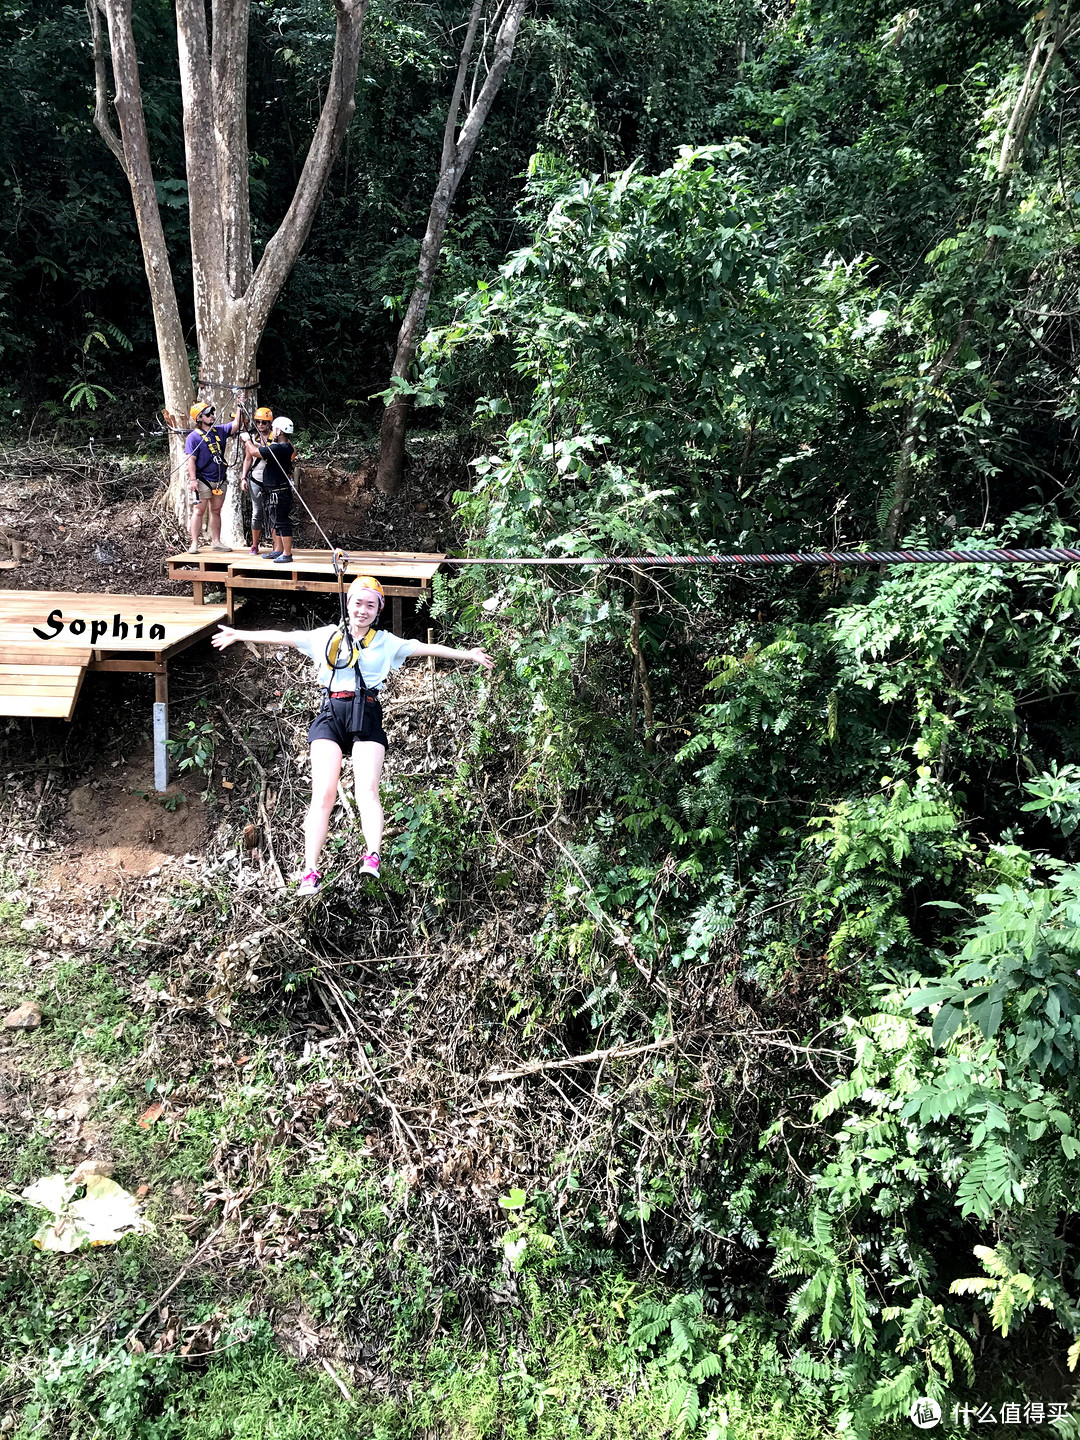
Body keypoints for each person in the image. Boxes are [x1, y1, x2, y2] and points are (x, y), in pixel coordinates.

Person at [211, 576, 494, 894]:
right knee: (323, 795)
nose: (363, 610)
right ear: (348, 604)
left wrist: (467, 655)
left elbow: (424, 648)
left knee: (367, 791)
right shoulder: (327, 637)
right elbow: (287, 637)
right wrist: (239, 633)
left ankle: (372, 855)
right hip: (331, 713)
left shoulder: (386, 642)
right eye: (358, 602)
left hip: (367, 713)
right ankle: (310, 871)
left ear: (378, 610)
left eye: (370, 605)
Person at [186, 401, 242, 553]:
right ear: (199, 418)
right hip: (203, 479)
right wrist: (192, 480)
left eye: (212, 413)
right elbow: (190, 460)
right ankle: (194, 543)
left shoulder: (219, 431)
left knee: (216, 510)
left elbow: (236, 424)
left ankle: (216, 541)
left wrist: (239, 406)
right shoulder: (193, 438)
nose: (212, 416)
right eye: (208, 414)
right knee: (199, 510)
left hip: (219, 479)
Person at [240, 416, 296, 564]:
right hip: (275, 490)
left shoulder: (279, 448)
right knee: (276, 521)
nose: (272, 431)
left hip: (279, 491)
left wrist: (247, 440)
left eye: (274, 429)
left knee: (282, 522)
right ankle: (278, 550)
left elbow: (255, 452)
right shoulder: (284, 447)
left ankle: (287, 553)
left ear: (279, 430)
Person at [239, 406, 274, 555]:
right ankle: (254, 545)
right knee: (257, 513)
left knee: (273, 512)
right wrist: (243, 477)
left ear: (269, 423)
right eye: (258, 422)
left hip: (271, 480)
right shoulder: (253, 438)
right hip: (255, 478)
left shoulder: (276, 437)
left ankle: (276, 545)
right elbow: (248, 458)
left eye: (264, 422)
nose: (261, 425)